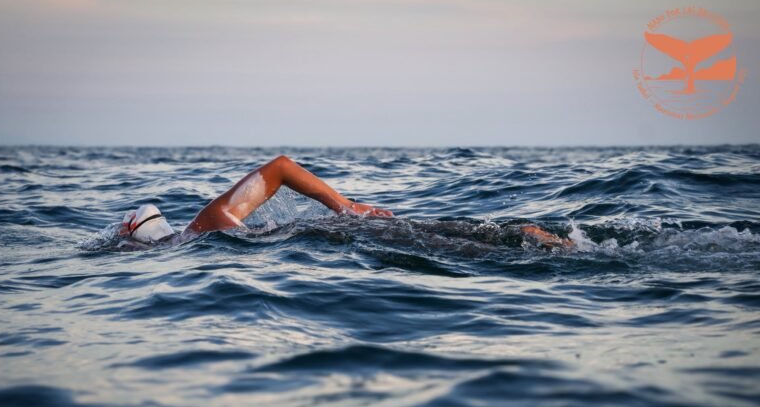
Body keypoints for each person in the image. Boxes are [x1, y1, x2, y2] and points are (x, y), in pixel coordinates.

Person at [119, 154, 571, 248]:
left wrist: (347, 211)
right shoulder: (209, 222)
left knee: (444, 246)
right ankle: (527, 236)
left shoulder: (202, 232)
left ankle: (526, 241)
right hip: (340, 229)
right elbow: (279, 167)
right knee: (437, 234)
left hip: (333, 235)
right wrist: (346, 208)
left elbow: (279, 165)